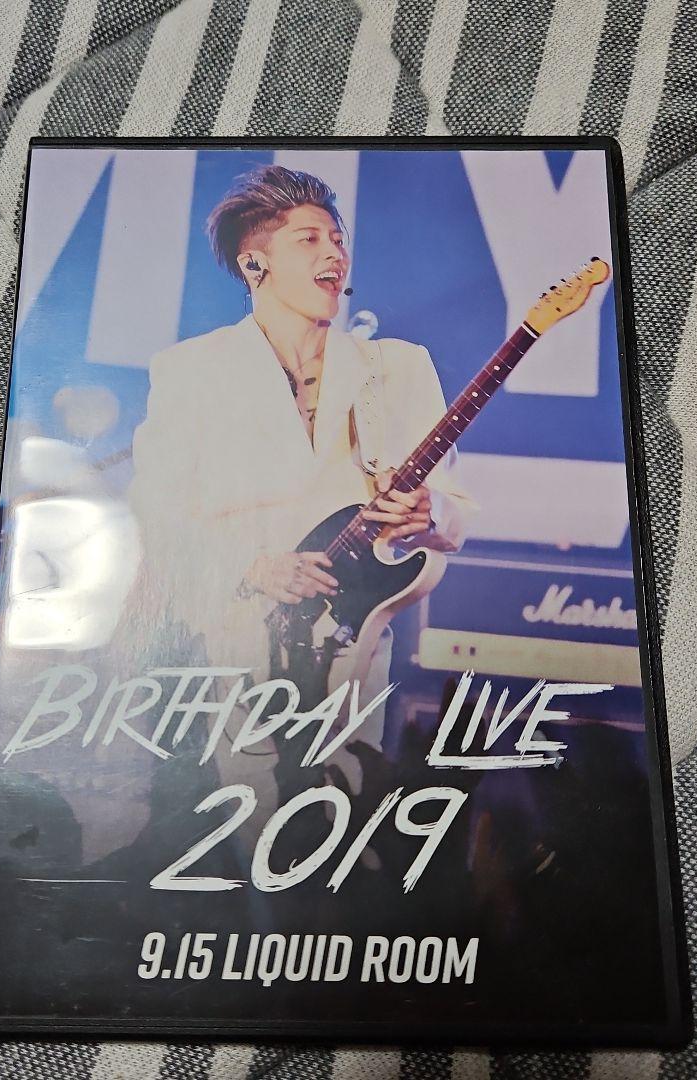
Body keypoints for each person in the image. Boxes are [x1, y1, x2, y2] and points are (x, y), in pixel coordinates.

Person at [126, 164, 475, 822]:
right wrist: (253, 566)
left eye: (338, 239)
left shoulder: (395, 367)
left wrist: (428, 513)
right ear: (253, 264)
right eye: (309, 240)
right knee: (254, 820)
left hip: (350, 635)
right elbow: (158, 511)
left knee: (349, 811)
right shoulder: (191, 370)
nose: (334, 254)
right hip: (237, 630)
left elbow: (452, 505)